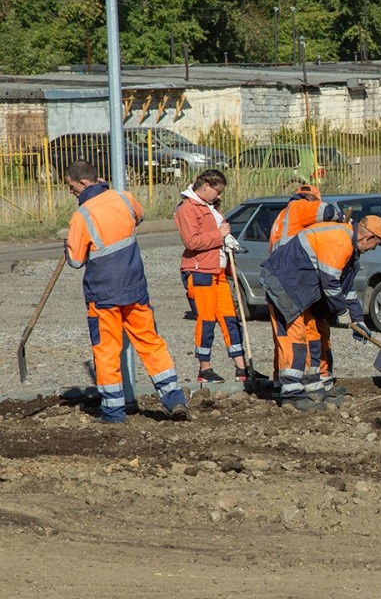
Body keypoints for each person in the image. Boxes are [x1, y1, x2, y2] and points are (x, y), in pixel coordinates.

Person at [62, 160, 190, 423]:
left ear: (84, 183)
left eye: (71, 186)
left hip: (103, 296)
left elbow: (75, 261)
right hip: (135, 289)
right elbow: (138, 217)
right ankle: (174, 398)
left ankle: (113, 412)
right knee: (151, 344)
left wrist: (68, 246)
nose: (70, 191)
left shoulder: (82, 216)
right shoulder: (124, 198)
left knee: (107, 351)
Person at [259, 215, 381, 411]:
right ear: (368, 238)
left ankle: (313, 391)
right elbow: (330, 284)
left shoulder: (351, 249)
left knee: (312, 336)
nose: (373, 250)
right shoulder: (340, 241)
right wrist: (342, 312)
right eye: (375, 245)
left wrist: (358, 318)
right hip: (283, 284)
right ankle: (292, 394)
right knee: (295, 339)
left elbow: (347, 287)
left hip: (300, 289)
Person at [174, 169, 264, 384]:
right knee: (206, 320)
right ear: (205, 187)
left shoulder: (210, 208)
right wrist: (219, 235)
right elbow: (192, 242)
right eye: (217, 191)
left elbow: (217, 235)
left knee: (230, 319)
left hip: (218, 272)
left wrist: (227, 241)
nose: (220, 196)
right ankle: (204, 368)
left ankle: (242, 369)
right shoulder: (187, 209)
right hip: (199, 272)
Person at [268, 184, 345, 398]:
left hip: (288, 278)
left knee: (294, 335)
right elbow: (326, 211)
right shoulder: (300, 208)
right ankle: (297, 385)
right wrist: (339, 218)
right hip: (294, 280)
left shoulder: (283, 217)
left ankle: (299, 380)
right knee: (297, 334)